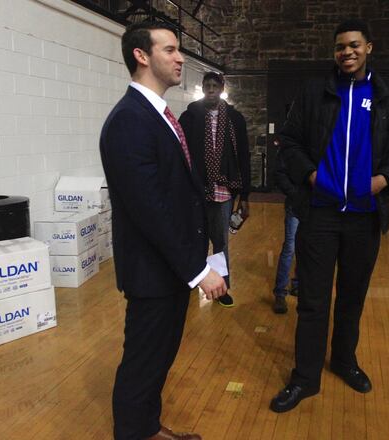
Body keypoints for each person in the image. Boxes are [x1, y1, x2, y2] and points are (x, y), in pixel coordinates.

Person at [269, 19, 389, 413]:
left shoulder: (386, 99)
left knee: (352, 299)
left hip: (364, 218)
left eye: (353, 46)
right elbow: (289, 141)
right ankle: (305, 378)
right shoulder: (315, 91)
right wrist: (311, 174)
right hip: (320, 215)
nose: (346, 53)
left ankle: (345, 362)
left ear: (369, 47)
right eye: (339, 48)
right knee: (313, 302)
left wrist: (384, 179)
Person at [100, 21, 227, 440]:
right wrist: (198, 269)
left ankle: (148, 430)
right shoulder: (129, 120)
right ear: (142, 55)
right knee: (142, 363)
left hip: (169, 269)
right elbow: (150, 209)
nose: (180, 58)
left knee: (158, 360)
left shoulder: (159, 115)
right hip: (153, 272)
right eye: (170, 50)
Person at [179, 72, 251, 308]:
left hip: (223, 189)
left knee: (220, 242)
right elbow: (181, 154)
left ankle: (222, 288)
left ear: (221, 88)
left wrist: (245, 196)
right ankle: (193, 282)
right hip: (196, 190)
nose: (211, 90)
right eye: (207, 86)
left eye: (215, 86)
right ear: (202, 89)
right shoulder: (189, 116)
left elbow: (243, 157)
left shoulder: (234, 119)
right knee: (196, 240)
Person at [271, 154, 300, 314]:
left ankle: (298, 284)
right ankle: (280, 293)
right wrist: (294, 193)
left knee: (307, 247)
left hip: (316, 204)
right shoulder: (291, 142)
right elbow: (280, 172)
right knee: (290, 247)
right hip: (296, 203)